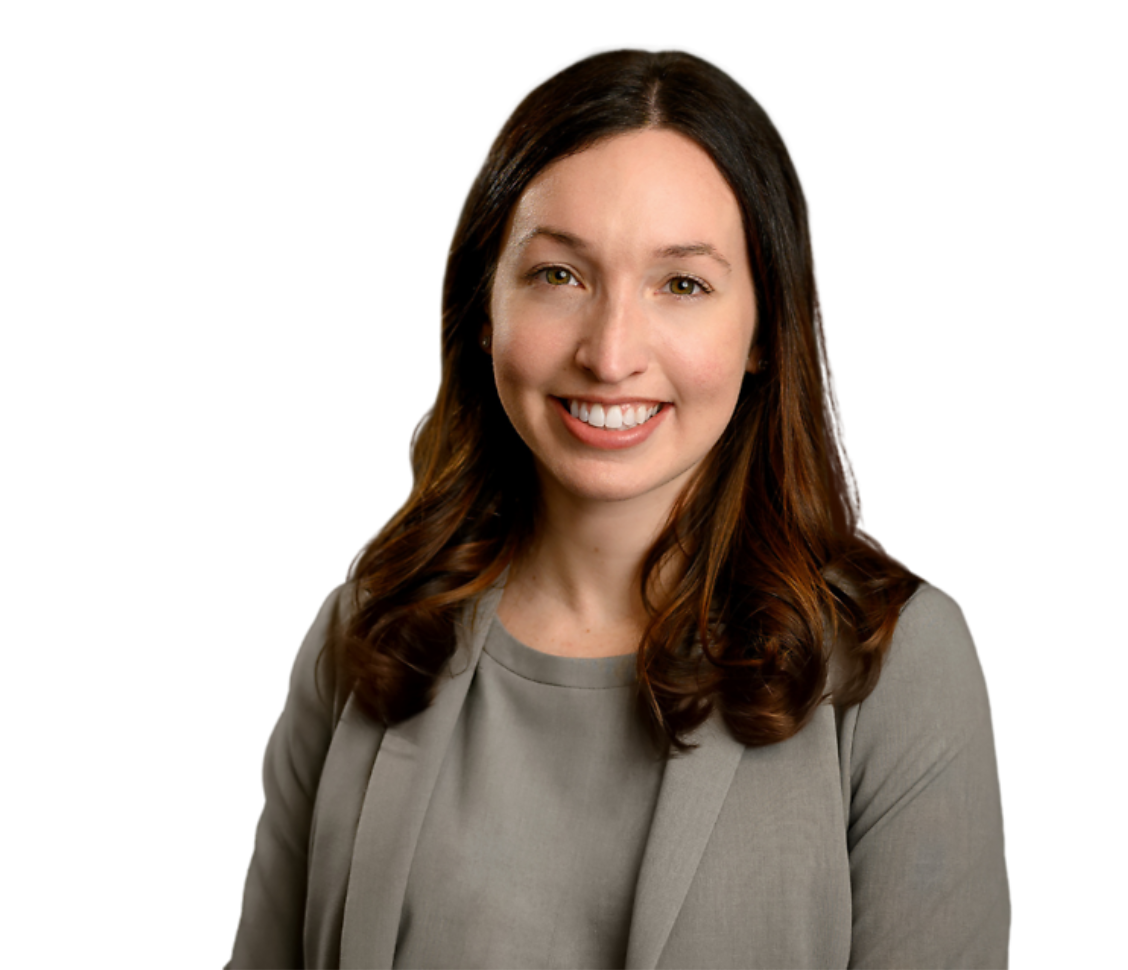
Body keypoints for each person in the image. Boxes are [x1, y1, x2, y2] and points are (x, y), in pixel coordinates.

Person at [227, 44, 1011, 968]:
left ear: (765, 329)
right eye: (561, 275)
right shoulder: (363, 633)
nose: (611, 353)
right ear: (486, 308)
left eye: (683, 284)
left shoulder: (898, 665)